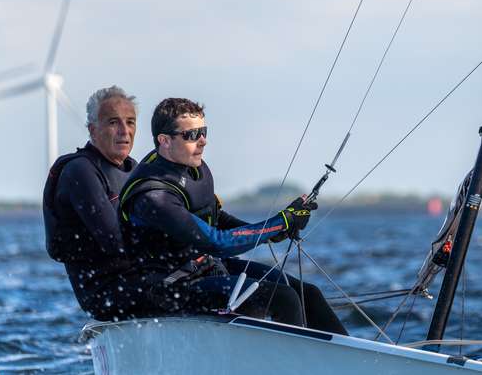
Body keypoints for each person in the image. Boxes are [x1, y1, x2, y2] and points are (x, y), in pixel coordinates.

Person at [118, 97, 347, 334]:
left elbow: (216, 218)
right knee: (284, 298)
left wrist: (272, 232)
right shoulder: (154, 198)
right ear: (164, 141)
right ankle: (293, 357)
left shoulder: (191, 167)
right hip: (167, 290)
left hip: (204, 269)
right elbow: (217, 242)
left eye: (203, 132)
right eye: (192, 135)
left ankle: (356, 356)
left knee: (307, 293)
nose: (203, 141)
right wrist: (280, 222)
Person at [43, 85, 148, 320]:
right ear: (93, 129)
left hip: (144, 278)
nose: (124, 131)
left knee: (228, 272)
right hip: (108, 294)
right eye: (113, 122)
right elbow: (115, 241)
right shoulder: (80, 171)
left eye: (130, 122)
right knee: (217, 287)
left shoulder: (134, 170)